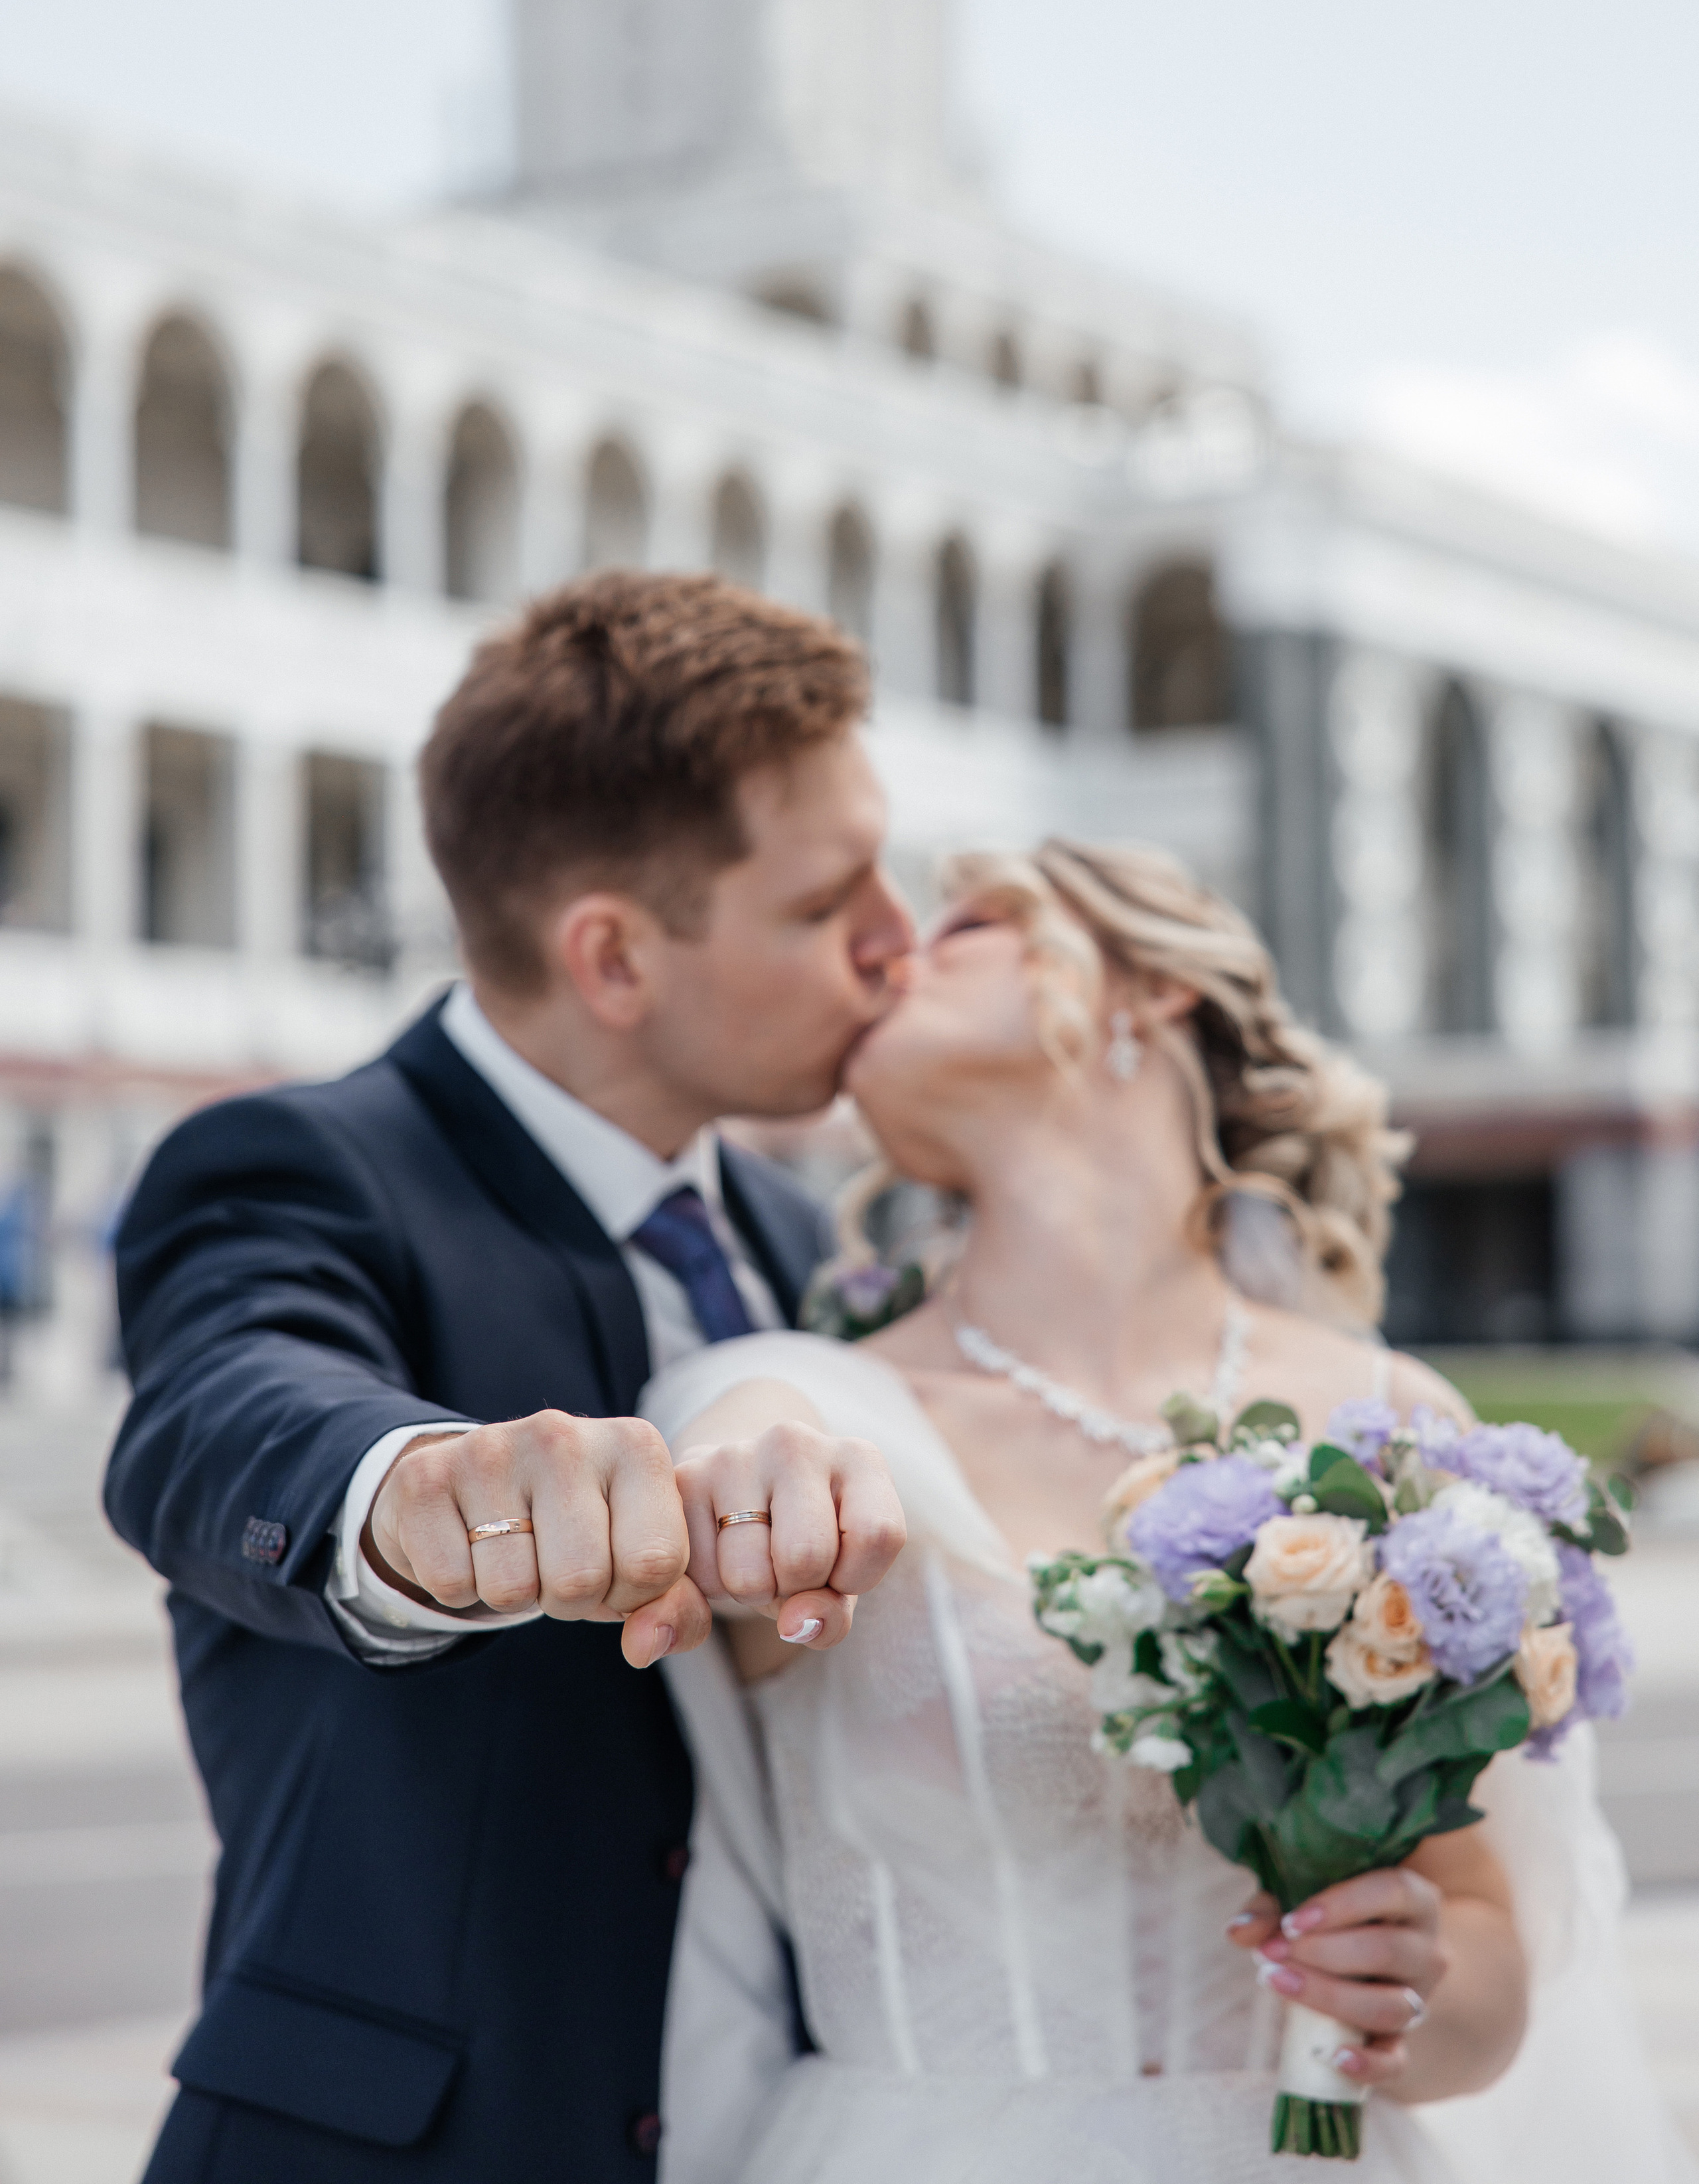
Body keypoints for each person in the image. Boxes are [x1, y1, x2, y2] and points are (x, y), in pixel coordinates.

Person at [644, 842, 1695, 2184]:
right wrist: (736, 1490)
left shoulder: (1394, 1424)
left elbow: (1490, 1947)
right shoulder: (800, 1404)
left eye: (959, 927)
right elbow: (721, 1457)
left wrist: (1407, 1996)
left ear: (1141, 989)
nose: (887, 957)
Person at [104, 572, 911, 2182]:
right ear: (611, 956)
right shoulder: (304, 1164)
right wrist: (417, 1492)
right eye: (828, 908)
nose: (895, 945)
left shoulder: (802, 1232)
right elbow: (221, 1408)